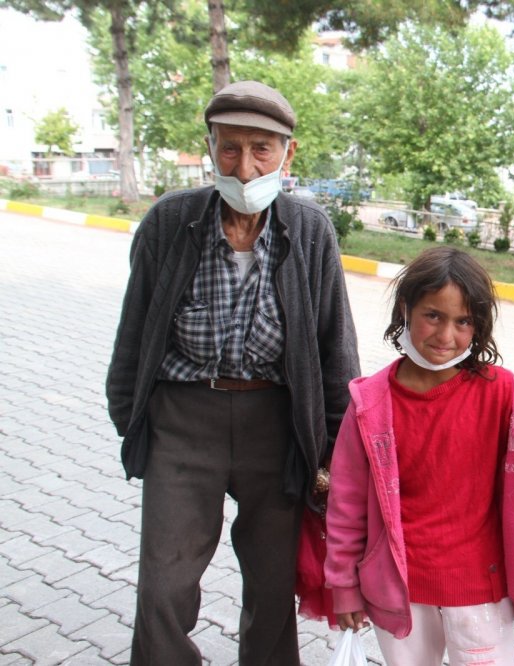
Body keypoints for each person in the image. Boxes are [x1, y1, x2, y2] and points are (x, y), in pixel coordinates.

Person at [106, 80, 361, 665]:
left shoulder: (310, 231)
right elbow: (133, 331)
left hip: (276, 425)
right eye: (229, 148)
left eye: (261, 149)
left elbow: (334, 347)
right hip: (182, 418)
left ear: (287, 155)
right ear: (210, 147)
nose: (244, 168)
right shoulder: (171, 222)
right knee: (164, 585)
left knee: (272, 585)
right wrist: (133, 418)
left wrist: (333, 449)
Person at [323, 246, 514, 665]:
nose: (445, 336)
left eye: (463, 322)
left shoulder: (501, 394)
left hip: (480, 594)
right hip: (399, 594)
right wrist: (344, 585)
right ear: (406, 307)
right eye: (433, 315)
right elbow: (346, 504)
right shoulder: (369, 404)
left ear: (479, 327)